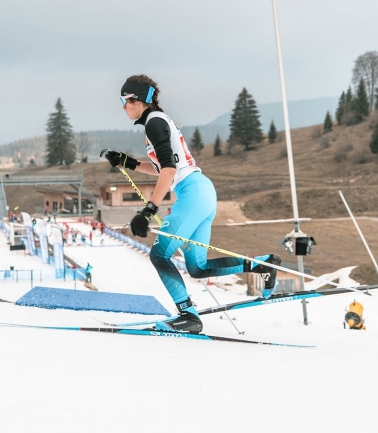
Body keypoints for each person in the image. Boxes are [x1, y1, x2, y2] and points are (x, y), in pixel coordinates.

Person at [102, 74, 280, 334]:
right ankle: (260, 264)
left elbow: (169, 171)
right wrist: (127, 162)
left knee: (159, 254)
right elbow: (164, 167)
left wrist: (149, 209)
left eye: (124, 100)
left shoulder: (154, 123)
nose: (122, 107)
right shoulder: (158, 121)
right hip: (201, 191)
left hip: (192, 192)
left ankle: (188, 316)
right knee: (197, 268)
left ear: (137, 100)